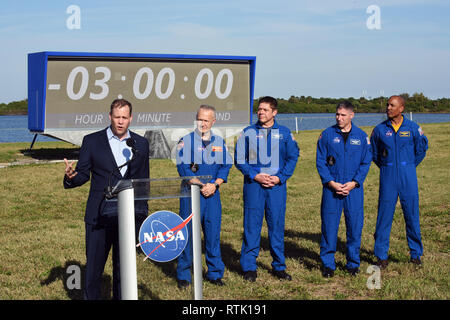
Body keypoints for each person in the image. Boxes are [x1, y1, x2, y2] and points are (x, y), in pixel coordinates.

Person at [63, 99, 149, 299]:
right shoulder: (92, 141)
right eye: (117, 117)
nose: (120, 122)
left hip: (127, 217)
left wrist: (142, 217)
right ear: (109, 117)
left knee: (123, 271)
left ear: (131, 119)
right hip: (99, 216)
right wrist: (71, 177)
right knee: (93, 272)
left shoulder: (141, 144)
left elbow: (143, 182)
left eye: (124, 118)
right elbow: (83, 175)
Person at [234, 96, 299, 282]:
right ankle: (249, 268)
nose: (261, 112)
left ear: (274, 112)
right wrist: (255, 175)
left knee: (276, 226)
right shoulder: (247, 132)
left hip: (276, 188)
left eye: (265, 110)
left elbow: (292, 158)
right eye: (259, 109)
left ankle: (279, 266)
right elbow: (239, 159)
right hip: (254, 186)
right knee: (251, 226)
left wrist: (280, 178)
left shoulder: (285, 133)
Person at [175, 105, 232, 288]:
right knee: (188, 235)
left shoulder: (219, 142)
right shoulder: (185, 141)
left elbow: (225, 166)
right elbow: (183, 168)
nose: (203, 123)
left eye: (207, 120)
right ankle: (184, 274)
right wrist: (201, 185)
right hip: (191, 194)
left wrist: (215, 184)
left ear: (213, 121)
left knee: (213, 234)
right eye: (200, 119)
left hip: (212, 195)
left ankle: (214, 273)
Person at [370, 95, 428, 269]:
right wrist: (388, 167)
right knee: (384, 216)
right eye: (387, 105)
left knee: (411, 215)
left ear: (401, 108)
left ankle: (415, 254)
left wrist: (408, 166)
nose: (388, 108)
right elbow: (374, 153)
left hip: (407, 176)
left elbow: (421, 150)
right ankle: (381, 256)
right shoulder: (380, 130)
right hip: (387, 176)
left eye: (392, 105)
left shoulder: (412, 128)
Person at [316, 101, 372, 278]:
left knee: (354, 227)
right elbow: (320, 162)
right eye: (337, 115)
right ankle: (328, 265)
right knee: (329, 227)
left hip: (353, 190)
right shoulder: (326, 135)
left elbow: (365, 163)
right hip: (332, 189)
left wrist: (355, 182)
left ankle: (353, 264)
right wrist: (330, 182)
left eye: (343, 115)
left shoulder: (362, 137)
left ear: (352, 115)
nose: (339, 118)